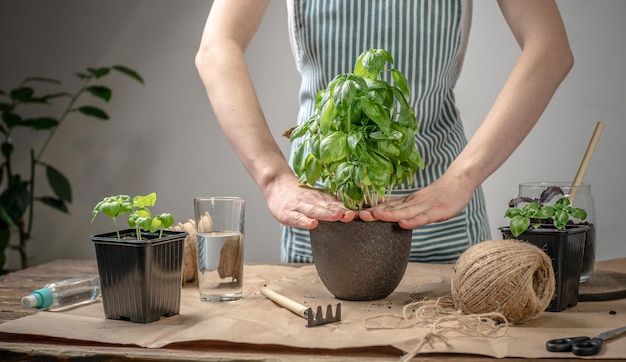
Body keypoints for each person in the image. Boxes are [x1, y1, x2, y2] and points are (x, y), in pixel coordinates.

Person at [195, 0, 573, 263]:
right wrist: (273, 176)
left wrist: (464, 176)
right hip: (323, 217)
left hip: (443, 216)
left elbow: (550, 47)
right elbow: (216, 48)